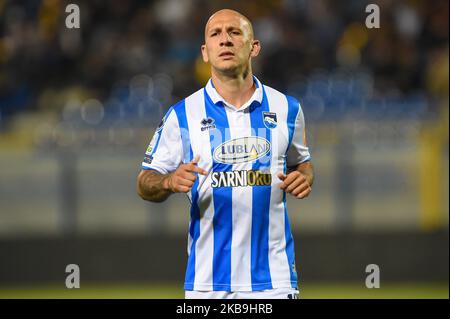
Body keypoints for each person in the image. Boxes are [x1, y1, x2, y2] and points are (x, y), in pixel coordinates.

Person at [137, 9, 314, 299]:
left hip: (274, 280)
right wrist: (168, 182)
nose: (225, 40)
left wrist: (305, 178)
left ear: (254, 46)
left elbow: (303, 164)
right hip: (207, 284)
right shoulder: (182, 116)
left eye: (234, 32)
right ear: (205, 53)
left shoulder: (287, 109)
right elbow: (145, 182)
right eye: (215, 34)